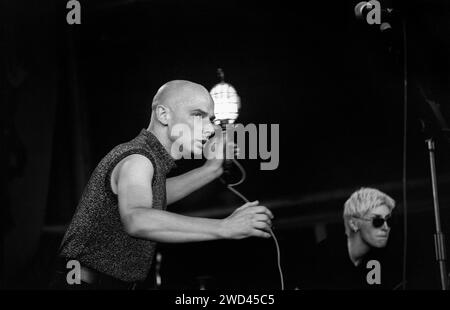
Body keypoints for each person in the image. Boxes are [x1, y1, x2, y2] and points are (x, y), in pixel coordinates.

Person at [49, 80, 274, 289]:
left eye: (211, 119)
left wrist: (210, 170)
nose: (209, 129)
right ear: (163, 114)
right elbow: (137, 219)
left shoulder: (148, 160)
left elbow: (156, 194)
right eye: (198, 115)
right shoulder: (138, 158)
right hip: (83, 283)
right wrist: (224, 227)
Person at [303, 187, 401, 290]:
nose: (386, 228)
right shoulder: (322, 257)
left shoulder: (384, 261)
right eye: (377, 221)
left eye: (389, 221)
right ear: (354, 224)